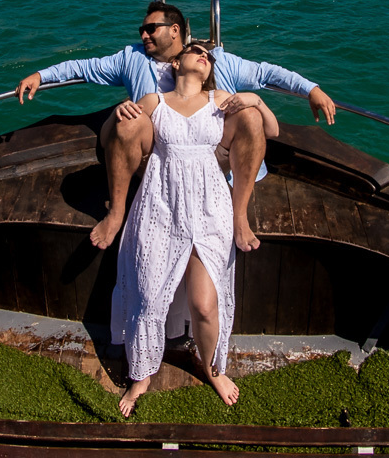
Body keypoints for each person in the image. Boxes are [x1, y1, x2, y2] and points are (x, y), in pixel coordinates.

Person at [16, 1, 335, 253]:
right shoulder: (132, 59)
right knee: (130, 121)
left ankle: (239, 217)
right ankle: (116, 213)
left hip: (213, 158)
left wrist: (311, 89)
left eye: (150, 29)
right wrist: (41, 76)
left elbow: (267, 73)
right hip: (157, 159)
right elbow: (83, 68)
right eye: (142, 29)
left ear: (175, 30)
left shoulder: (213, 60)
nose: (143, 35)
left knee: (250, 115)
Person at [110, 41, 279, 415]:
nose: (204, 55)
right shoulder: (155, 100)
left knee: (205, 304)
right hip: (162, 204)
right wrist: (116, 112)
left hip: (208, 207)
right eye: (196, 50)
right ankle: (141, 377)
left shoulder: (220, 100)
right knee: (149, 299)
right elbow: (117, 133)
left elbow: (271, 130)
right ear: (177, 61)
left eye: (208, 55)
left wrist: (255, 100)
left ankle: (213, 368)